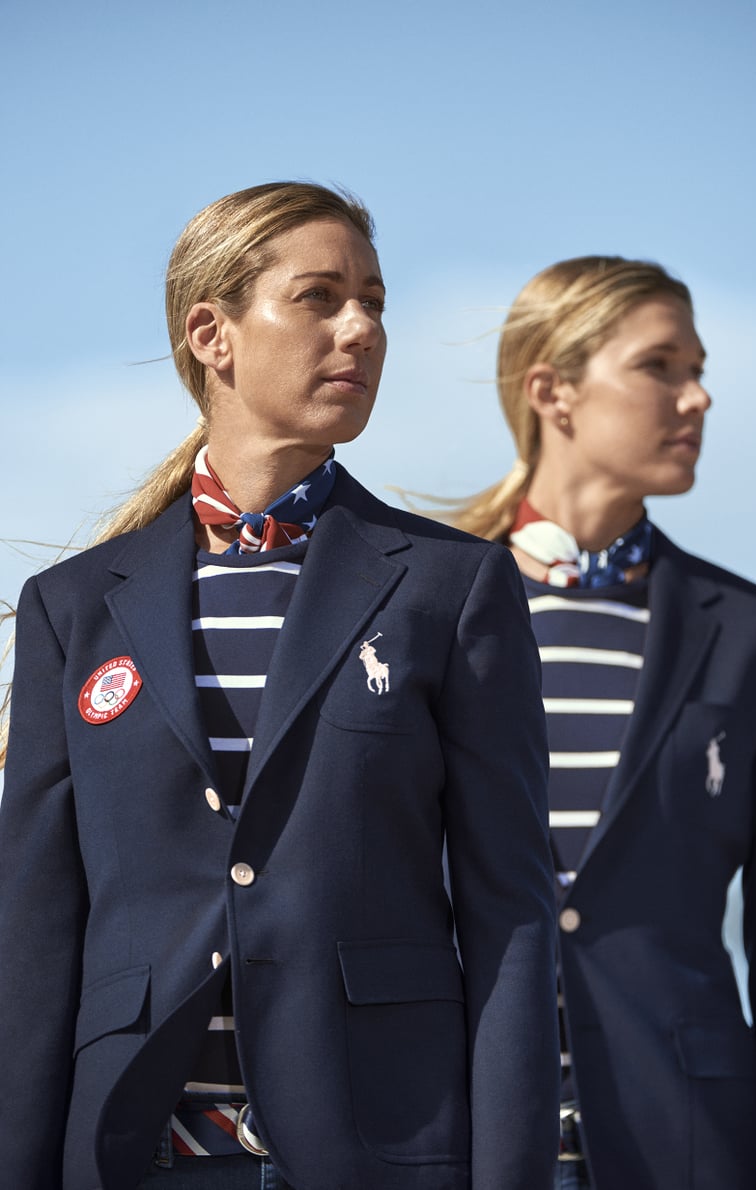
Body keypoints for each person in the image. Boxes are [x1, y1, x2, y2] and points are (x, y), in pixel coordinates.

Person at [0, 183, 559, 1190]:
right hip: (131, 1150)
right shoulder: (73, 609)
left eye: (375, 301)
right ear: (211, 333)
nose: (362, 328)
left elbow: (511, 914)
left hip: (383, 1152)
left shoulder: (451, 586)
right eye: (320, 297)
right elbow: (35, 939)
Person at [442, 256, 756, 1189]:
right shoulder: (421, 608)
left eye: (700, 366)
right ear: (552, 391)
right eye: (661, 366)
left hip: (683, 1141)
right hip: (456, 1133)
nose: (699, 397)